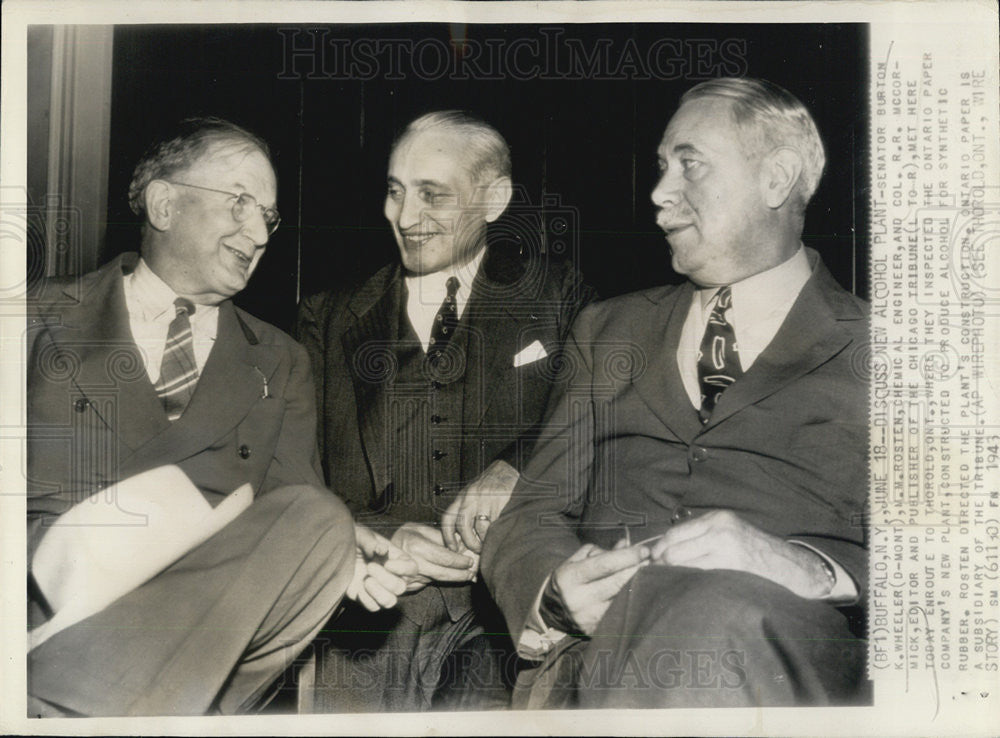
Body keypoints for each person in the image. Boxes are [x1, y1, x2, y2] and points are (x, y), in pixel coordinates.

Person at [481, 78, 870, 708]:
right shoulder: (609, 329)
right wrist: (552, 588)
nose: (660, 193)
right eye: (662, 168)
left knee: (713, 614)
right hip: (591, 669)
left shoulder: (893, 353)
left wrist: (809, 569)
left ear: (776, 179)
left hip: (781, 671)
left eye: (689, 164)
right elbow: (532, 512)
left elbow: (951, 565)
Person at [25, 117, 408, 717]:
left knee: (321, 519)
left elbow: (291, 510)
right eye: (240, 203)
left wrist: (339, 558)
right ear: (164, 202)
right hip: (37, 604)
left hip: (194, 613)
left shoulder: (280, 361)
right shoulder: (32, 317)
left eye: (269, 217)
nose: (258, 233)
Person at [295, 111, 595, 711]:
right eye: (394, 191)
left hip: (503, 620)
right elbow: (297, 481)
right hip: (368, 612)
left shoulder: (562, 297)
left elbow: (598, 430)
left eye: (432, 194)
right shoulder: (326, 319)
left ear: (494, 198)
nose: (404, 218)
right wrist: (381, 535)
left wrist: (518, 467)